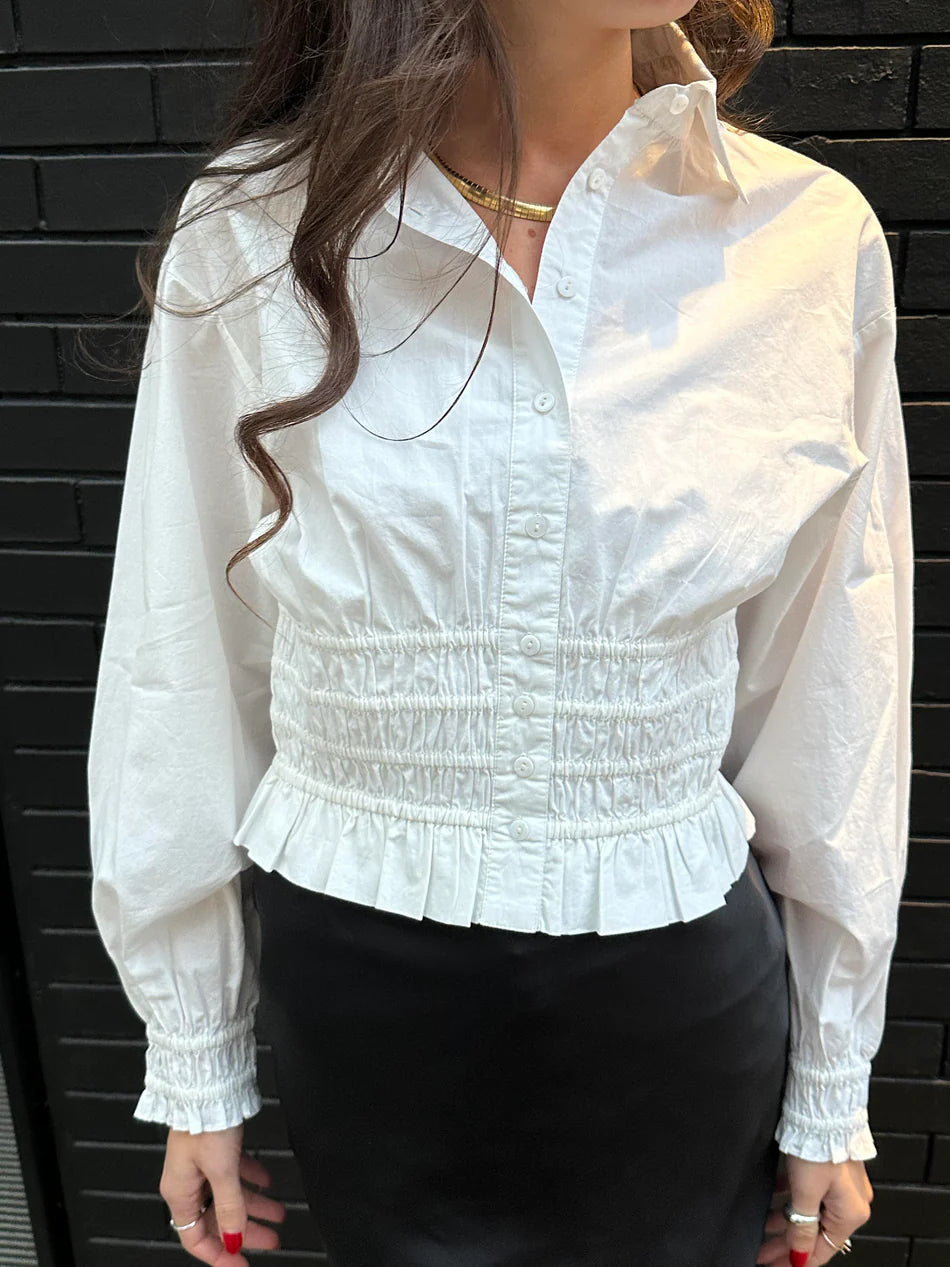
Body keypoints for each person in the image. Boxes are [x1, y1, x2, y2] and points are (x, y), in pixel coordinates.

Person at [86, 2, 913, 1265]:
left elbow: (831, 685)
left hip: (678, 999)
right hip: (365, 1009)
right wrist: (193, 1051)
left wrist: (831, 1082)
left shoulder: (800, 236)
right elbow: (181, 650)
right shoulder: (252, 228)